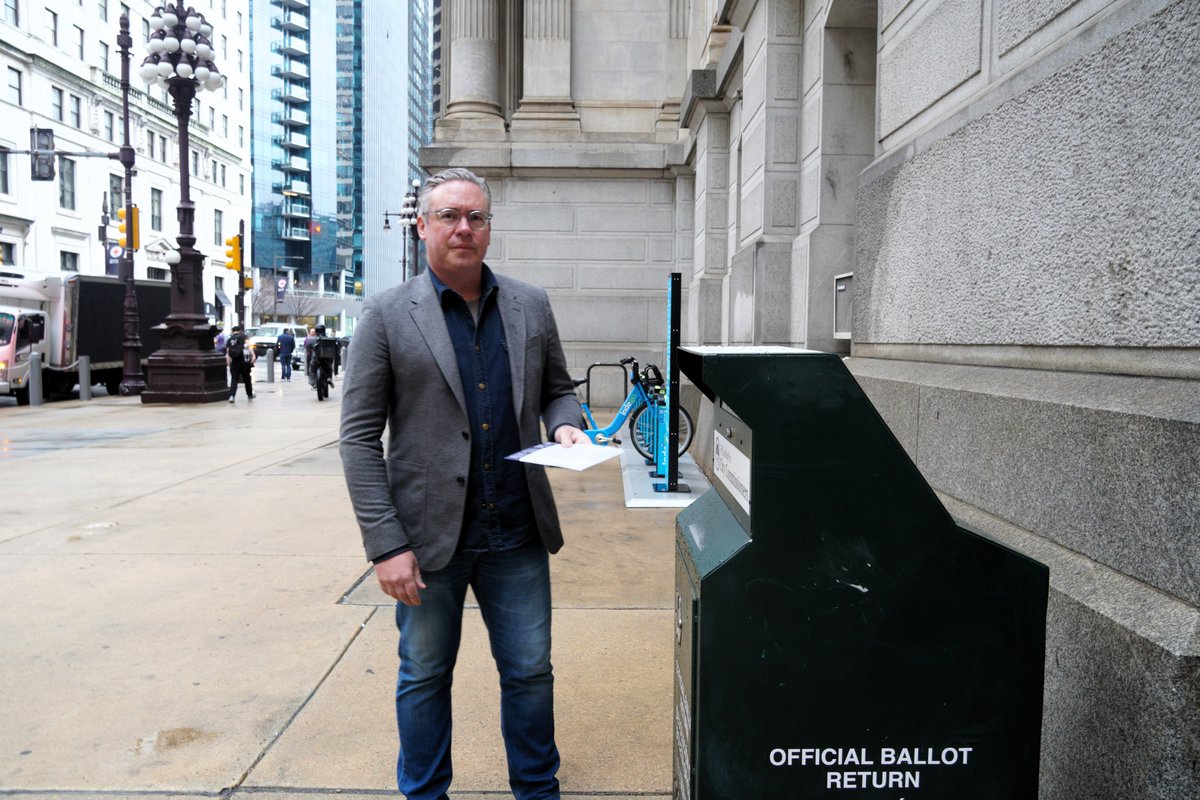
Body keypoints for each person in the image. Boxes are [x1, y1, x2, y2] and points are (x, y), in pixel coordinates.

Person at [339, 168, 588, 800]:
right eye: (449, 216)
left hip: (518, 529)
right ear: (422, 225)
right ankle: (424, 795)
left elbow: (559, 390)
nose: (464, 229)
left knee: (531, 673)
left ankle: (537, 791)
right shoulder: (388, 314)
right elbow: (359, 439)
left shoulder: (530, 304)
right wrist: (384, 544)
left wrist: (565, 428)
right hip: (426, 540)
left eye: (476, 217)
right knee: (423, 675)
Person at [225, 323, 256, 403]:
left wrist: (228, 364)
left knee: (234, 379)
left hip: (234, 362)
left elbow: (228, 353)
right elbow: (249, 345)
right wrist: (253, 355)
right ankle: (249, 394)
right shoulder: (243, 336)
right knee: (247, 378)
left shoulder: (230, 339)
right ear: (240, 331)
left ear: (232, 331)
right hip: (243, 361)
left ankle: (232, 396)